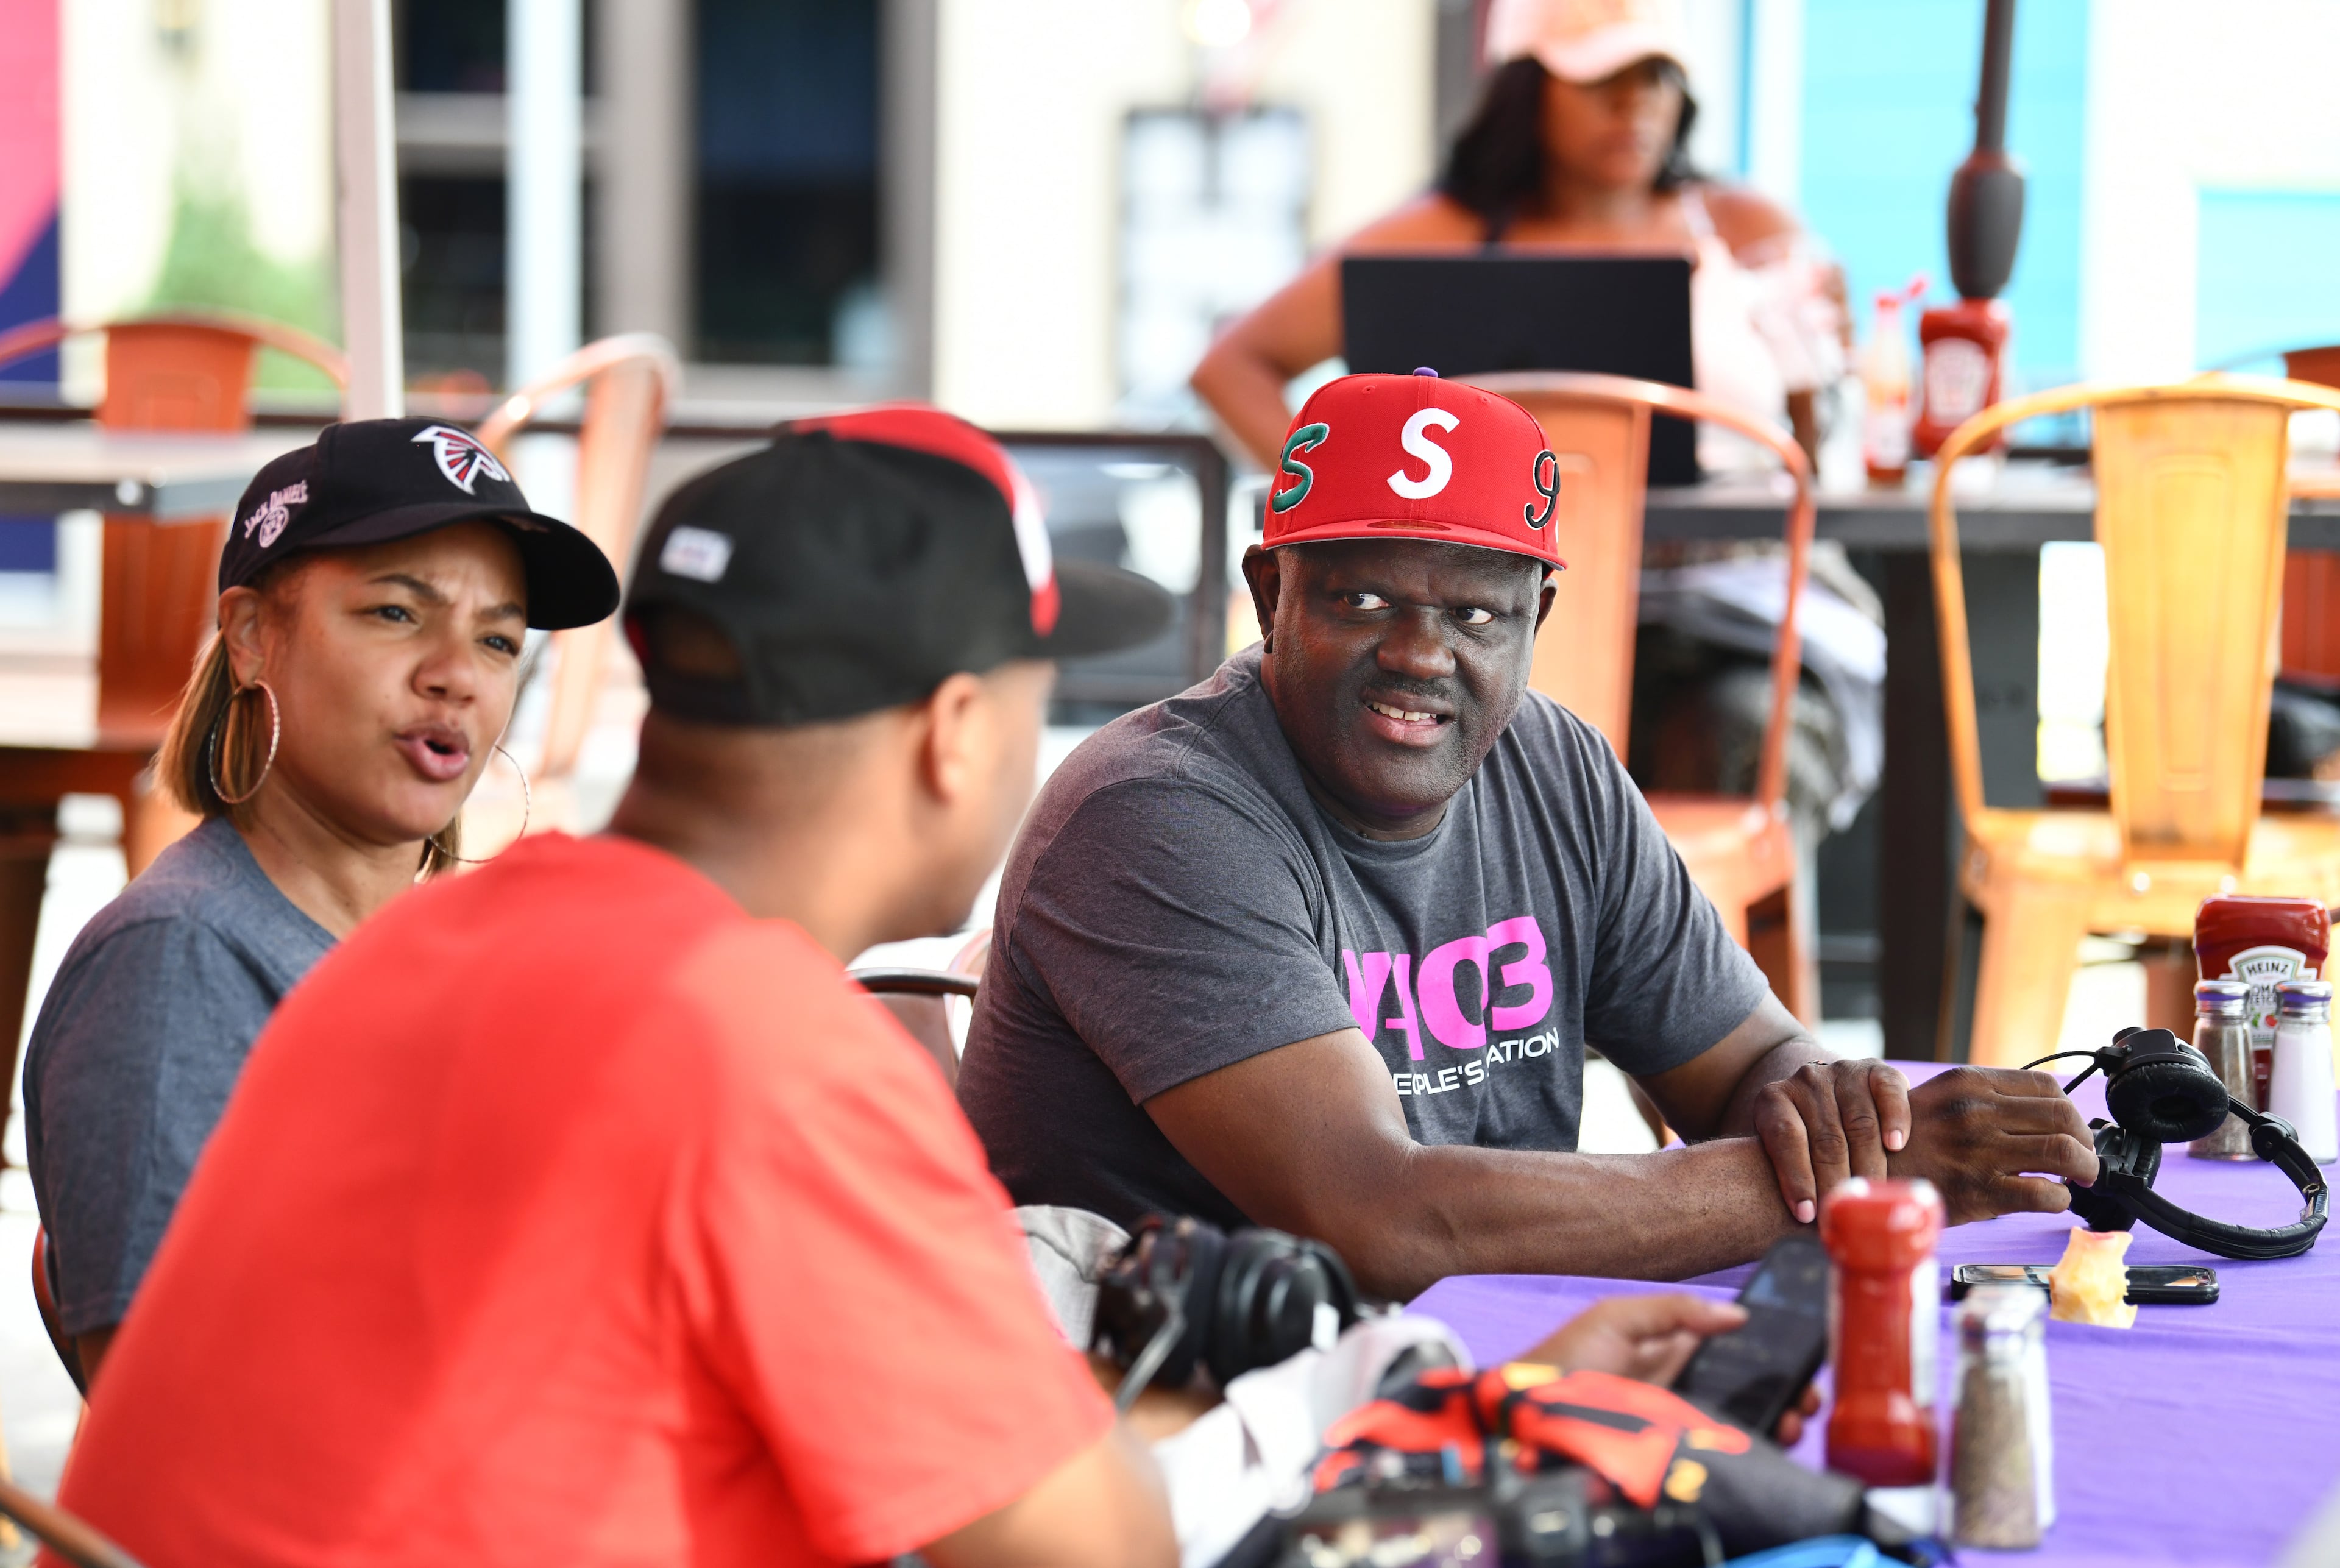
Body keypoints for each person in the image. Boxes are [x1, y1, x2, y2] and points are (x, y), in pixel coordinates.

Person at [54, 408, 1190, 1568]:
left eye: (498, 639)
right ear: (954, 732)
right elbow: (1098, 1548)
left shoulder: (413, 949)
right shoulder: (760, 1045)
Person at [957, 372, 2099, 1298]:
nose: (1419, 652)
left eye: (1475, 613)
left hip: (1485, 1351)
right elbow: (1379, 1217)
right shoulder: (1155, 812)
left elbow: (1748, 1062)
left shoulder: (1551, 765)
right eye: (1361, 599)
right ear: (1272, 593)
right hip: (1183, 1402)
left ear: (1535, 619)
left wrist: (1844, 1114)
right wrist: (1880, 1172)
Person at [23, 417, 618, 1386]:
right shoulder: (179, 961)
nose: (456, 674)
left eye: (500, 639)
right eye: (395, 613)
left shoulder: (459, 956)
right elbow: (173, 1418)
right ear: (254, 636)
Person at [1189, 0, 1847, 472]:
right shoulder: (1439, 234)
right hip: (1495, 611)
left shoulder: (1748, 228)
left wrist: (1820, 371)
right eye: (1599, 76)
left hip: (1738, 593)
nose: (1635, 102)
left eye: (1656, 74)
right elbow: (1230, 368)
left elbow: (1823, 442)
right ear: (1526, 86)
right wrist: (1341, 493)